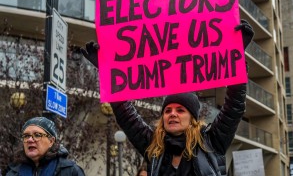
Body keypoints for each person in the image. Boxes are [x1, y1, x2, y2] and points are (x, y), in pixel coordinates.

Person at [81, 20, 254, 176]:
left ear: (193, 118)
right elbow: (126, 115)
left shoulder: (211, 141)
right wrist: (106, 71)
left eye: (180, 110)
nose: (172, 114)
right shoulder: (154, 145)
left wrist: (236, 55)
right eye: (168, 110)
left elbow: (234, 108)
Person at [6, 117, 85, 176]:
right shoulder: (12, 172)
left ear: (51, 141)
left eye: (37, 135)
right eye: (26, 136)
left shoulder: (70, 171)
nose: (30, 140)